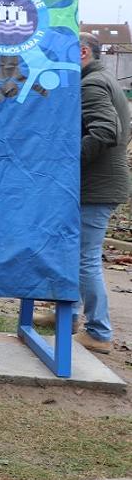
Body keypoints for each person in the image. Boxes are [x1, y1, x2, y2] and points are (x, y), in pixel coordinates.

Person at [73, 32, 131, 354]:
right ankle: (66, 316)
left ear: (83, 51)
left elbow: (106, 132)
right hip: (102, 183)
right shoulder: (107, 80)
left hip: (96, 187)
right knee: (76, 255)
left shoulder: (91, 84)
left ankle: (98, 331)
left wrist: (67, 163)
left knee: (85, 258)